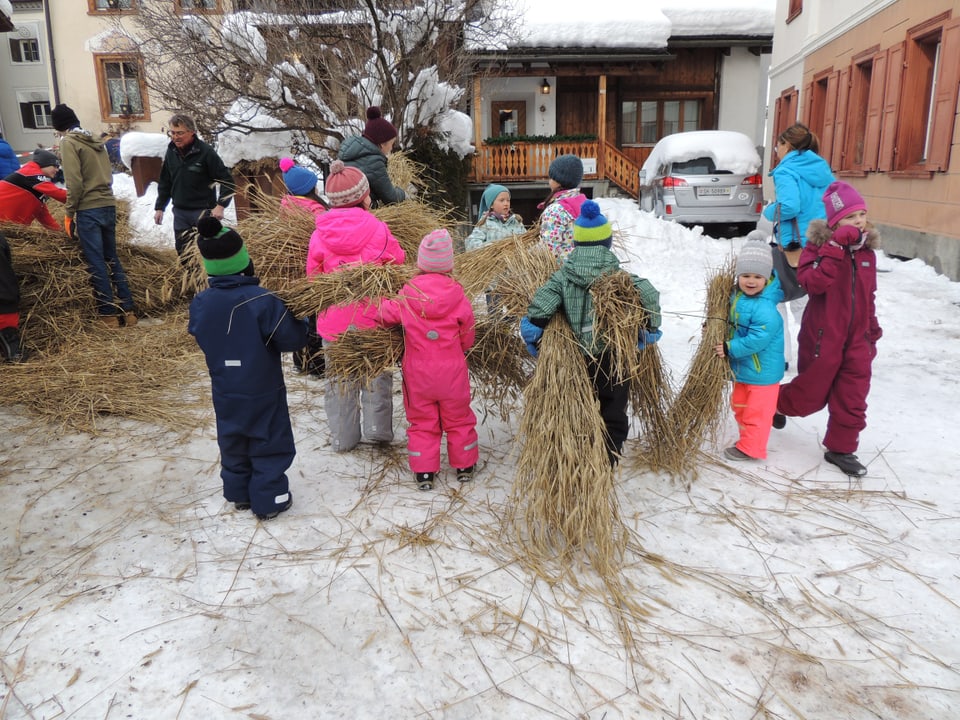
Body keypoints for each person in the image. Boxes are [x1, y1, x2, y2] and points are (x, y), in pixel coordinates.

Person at [521, 200, 661, 466]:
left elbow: (544, 300)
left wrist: (533, 328)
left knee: (582, 402)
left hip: (580, 355)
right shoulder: (620, 275)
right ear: (607, 244)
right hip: (615, 356)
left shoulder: (564, 276)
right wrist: (649, 329)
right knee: (614, 408)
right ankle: (609, 455)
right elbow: (649, 292)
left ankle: (581, 446)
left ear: (576, 244)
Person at [188, 216, 307, 520]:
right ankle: (271, 499)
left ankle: (239, 493)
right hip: (262, 386)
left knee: (233, 436)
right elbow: (290, 339)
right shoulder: (262, 300)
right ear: (244, 261)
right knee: (268, 438)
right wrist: (304, 322)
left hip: (225, 386)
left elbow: (199, 332)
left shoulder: (202, 302)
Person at [775, 181, 882, 478]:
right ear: (835, 223)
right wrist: (834, 248)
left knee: (853, 395)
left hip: (858, 338)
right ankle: (774, 403)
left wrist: (872, 330)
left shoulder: (866, 254)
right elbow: (812, 283)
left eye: (861, 214)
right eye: (850, 217)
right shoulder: (817, 248)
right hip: (823, 336)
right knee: (812, 394)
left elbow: (868, 295)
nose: (859, 222)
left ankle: (841, 448)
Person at [306, 160, 406, 452]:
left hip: (334, 324)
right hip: (373, 318)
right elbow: (396, 262)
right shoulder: (378, 228)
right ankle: (377, 431)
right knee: (376, 376)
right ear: (363, 196)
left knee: (339, 381)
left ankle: (343, 436)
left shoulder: (318, 233)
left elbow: (313, 278)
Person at [374, 229, 478, 490]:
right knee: (459, 418)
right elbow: (467, 335)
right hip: (452, 372)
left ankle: (424, 472)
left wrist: (379, 302)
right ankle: (464, 465)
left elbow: (385, 315)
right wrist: (460, 347)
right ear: (448, 264)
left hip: (417, 374)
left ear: (421, 263)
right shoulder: (458, 294)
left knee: (422, 422)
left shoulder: (408, 293)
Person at [52, 103, 137, 329]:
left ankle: (108, 316)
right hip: (108, 204)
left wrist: (69, 212)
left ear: (59, 126)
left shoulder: (69, 143)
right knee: (112, 259)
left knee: (96, 262)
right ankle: (128, 312)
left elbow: (75, 183)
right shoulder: (94, 141)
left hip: (89, 209)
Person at [761, 124, 835, 368]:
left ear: (787, 145)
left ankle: (781, 356)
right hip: (820, 240)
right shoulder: (823, 170)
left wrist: (769, 211)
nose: (776, 150)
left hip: (794, 244)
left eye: (778, 145)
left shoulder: (787, 170)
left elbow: (789, 206)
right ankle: (817, 352)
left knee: (778, 297)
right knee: (807, 300)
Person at [714, 238, 785, 461]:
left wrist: (729, 347)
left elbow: (758, 339)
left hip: (762, 373)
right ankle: (749, 438)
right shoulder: (738, 298)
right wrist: (716, 326)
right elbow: (734, 323)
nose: (751, 281)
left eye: (757, 277)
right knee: (740, 406)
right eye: (745, 276)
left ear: (767, 278)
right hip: (745, 369)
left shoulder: (766, 308)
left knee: (756, 413)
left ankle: (751, 448)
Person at [0, 149, 69, 361]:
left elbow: (43, 215)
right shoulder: (32, 173)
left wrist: (62, 238)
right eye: (54, 165)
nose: (56, 170)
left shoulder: (36, 185)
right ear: (43, 165)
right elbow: (61, 195)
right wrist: (82, 198)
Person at [153, 113, 235, 258]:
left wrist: (221, 205)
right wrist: (160, 207)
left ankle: (208, 280)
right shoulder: (171, 151)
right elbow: (165, 181)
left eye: (180, 133)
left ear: (192, 132)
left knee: (207, 252)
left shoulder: (205, 152)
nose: (175, 137)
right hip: (180, 212)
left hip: (203, 212)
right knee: (184, 253)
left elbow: (226, 180)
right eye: (172, 133)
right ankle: (191, 280)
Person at [278, 157, 327, 378]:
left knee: (301, 316)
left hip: (293, 269)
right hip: (313, 268)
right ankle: (317, 364)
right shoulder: (316, 211)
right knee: (316, 316)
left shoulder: (286, 205)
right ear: (310, 188)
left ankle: (301, 361)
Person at [338, 106, 407, 207]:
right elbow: (391, 198)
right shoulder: (374, 161)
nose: (392, 148)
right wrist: (403, 193)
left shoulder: (351, 152)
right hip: (362, 210)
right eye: (391, 144)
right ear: (382, 144)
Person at [537, 154, 588, 263]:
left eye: (550, 177)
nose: (549, 181)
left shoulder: (555, 210)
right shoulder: (586, 205)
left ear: (558, 180)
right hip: (585, 264)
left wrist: (531, 253)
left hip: (562, 272)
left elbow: (549, 248)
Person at [465, 183, 525, 251]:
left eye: (508, 200)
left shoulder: (516, 221)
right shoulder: (486, 222)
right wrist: (492, 248)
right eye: (502, 200)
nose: (506, 204)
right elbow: (471, 244)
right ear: (491, 205)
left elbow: (527, 241)